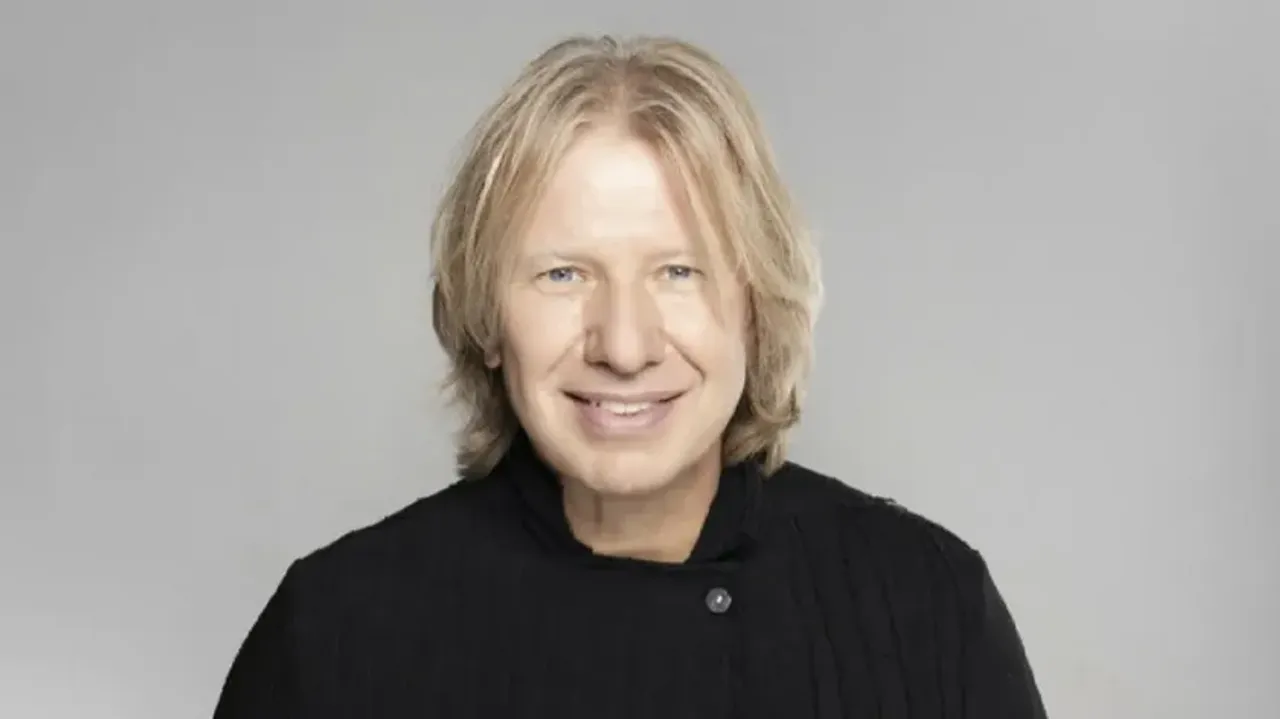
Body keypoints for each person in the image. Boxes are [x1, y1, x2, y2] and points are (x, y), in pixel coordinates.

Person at [212, 34, 1047, 718]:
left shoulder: (927, 605)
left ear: (756, 305)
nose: (624, 345)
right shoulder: (333, 633)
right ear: (487, 316)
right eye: (563, 274)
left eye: (679, 271)